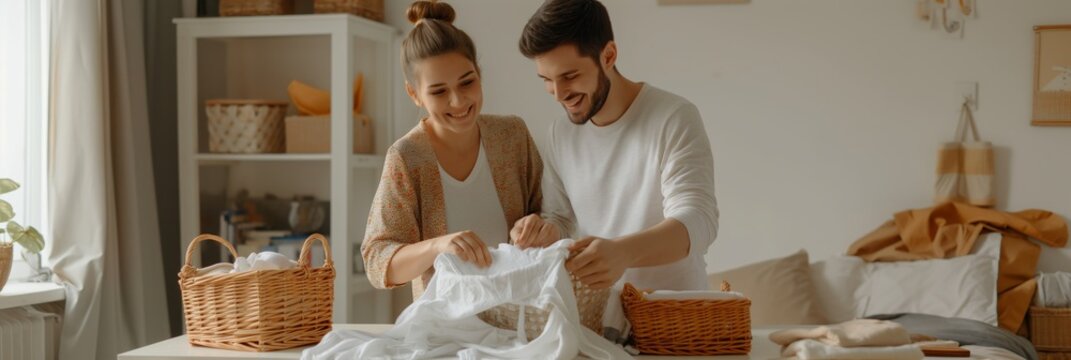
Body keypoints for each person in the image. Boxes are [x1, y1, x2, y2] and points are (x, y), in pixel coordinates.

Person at [511, 0, 719, 291]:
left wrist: (623, 253)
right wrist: (543, 232)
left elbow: (699, 222)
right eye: (547, 79)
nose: (559, 94)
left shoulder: (673, 117)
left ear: (608, 56)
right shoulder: (560, 133)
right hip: (598, 317)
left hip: (672, 315)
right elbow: (559, 218)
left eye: (570, 76)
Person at [362, 0, 544, 299]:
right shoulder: (407, 156)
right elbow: (377, 262)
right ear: (414, 94)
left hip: (522, 320)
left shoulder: (512, 135)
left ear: (479, 74)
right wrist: (438, 246)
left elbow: (552, 213)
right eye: (439, 91)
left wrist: (540, 225)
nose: (458, 101)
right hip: (445, 330)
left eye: (467, 82)